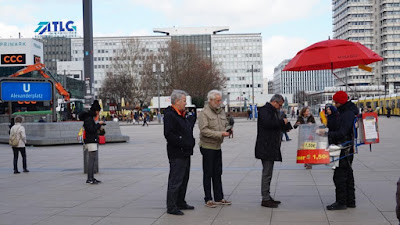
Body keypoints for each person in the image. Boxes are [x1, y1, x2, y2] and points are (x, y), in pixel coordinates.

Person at [318, 91, 359, 210]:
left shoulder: (347, 114)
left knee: (340, 176)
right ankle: (350, 201)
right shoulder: (345, 111)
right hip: (346, 147)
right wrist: (330, 117)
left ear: (341, 102)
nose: (334, 104)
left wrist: (325, 133)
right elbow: (336, 126)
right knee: (348, 174)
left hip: (344, 147)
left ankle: (341, 202)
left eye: (336, 102)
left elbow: (341, 132)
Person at [164, 90, 196, 216]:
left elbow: (187, 129)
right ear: (177, 101)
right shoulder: (170, 115)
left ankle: (180, 201)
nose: (185, 103)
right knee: (176, 179)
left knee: (184, 178)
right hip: (177, 153)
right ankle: (171, 206)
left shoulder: (182, 114)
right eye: (184, 101)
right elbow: (169, 134)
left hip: (186, 152)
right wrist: (183, 142)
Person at [198, 90, 232, 208]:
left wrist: (228, 128)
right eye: (217, 100)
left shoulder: (221, 111)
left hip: (217, 146)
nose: (220, 102)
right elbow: (204, 130)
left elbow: (225, 123)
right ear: (211, 100)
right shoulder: (204, 113)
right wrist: (220, 134)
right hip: (207, 146)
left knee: (218, 172)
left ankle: (219, 197)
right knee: (208, 173)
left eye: (220, 100)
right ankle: (208, 198)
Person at [255, 94, 288, 208]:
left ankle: (267, 196)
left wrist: (287, 125)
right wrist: (281, 122)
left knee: (269, 172)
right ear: (274, 102)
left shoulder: (273, 111)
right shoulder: (265, 110)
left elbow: (277, 125)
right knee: (267, 173)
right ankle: (265, 198)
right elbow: (268, 123)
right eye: (280, 104)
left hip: (270, 146)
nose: (280, 107)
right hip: (266, 146)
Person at [80, 100, 105, 184]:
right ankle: (90, 178)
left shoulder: (90, 118)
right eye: (98, 111)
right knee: (91, 159)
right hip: (90, 141)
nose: (98, 113)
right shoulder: (89, 119)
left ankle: (92, 177)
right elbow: (91, 129)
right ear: (95, 111)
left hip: (92, 140)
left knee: (93, 159)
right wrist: (98, 124)